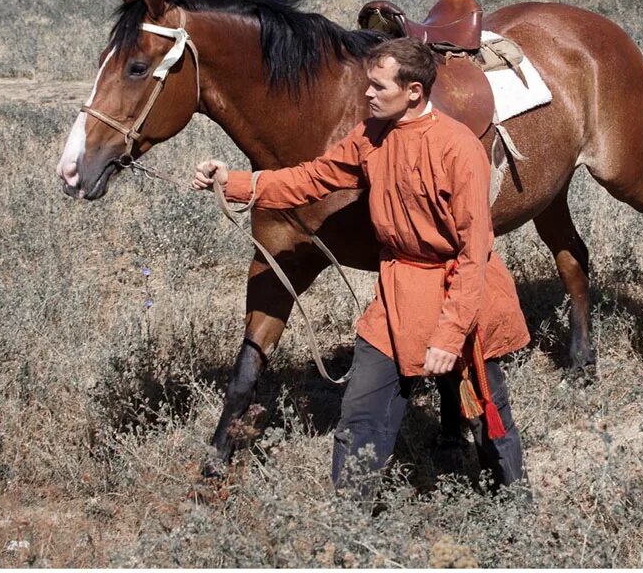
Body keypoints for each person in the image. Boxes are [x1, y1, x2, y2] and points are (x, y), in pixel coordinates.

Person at [192, 38, 530, 494]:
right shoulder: (371, 135)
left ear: (413, 91)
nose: (367, 94)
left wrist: (450, 336)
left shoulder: (458, 148)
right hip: (397, 293)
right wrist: (232, 183)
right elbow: (310, 178)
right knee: (361, 415)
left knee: (487, 414)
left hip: (457, 294)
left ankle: (511, 505)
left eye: (377, 86)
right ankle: (350, 525)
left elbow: (473, 254)